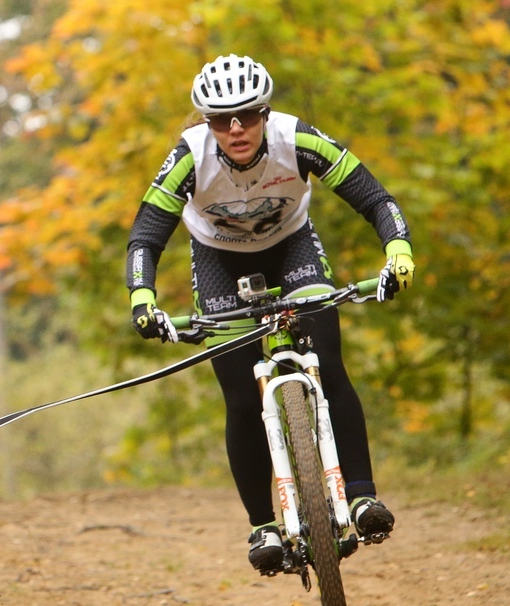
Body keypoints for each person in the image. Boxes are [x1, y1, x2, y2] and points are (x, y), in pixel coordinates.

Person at [124, 54, 415, 574]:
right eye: (219, 119)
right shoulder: (190, 157)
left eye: (247, 115)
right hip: (217, 260)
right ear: (205, 123)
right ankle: (263, 525)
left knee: (328, 369)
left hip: (292, 248)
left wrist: (398, 251)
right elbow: (146, 236)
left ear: (265, 112)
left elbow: (375, 198)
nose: (235, 129)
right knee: (239, 397)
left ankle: (363, 497)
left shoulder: (296, 138)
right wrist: (142, 298)